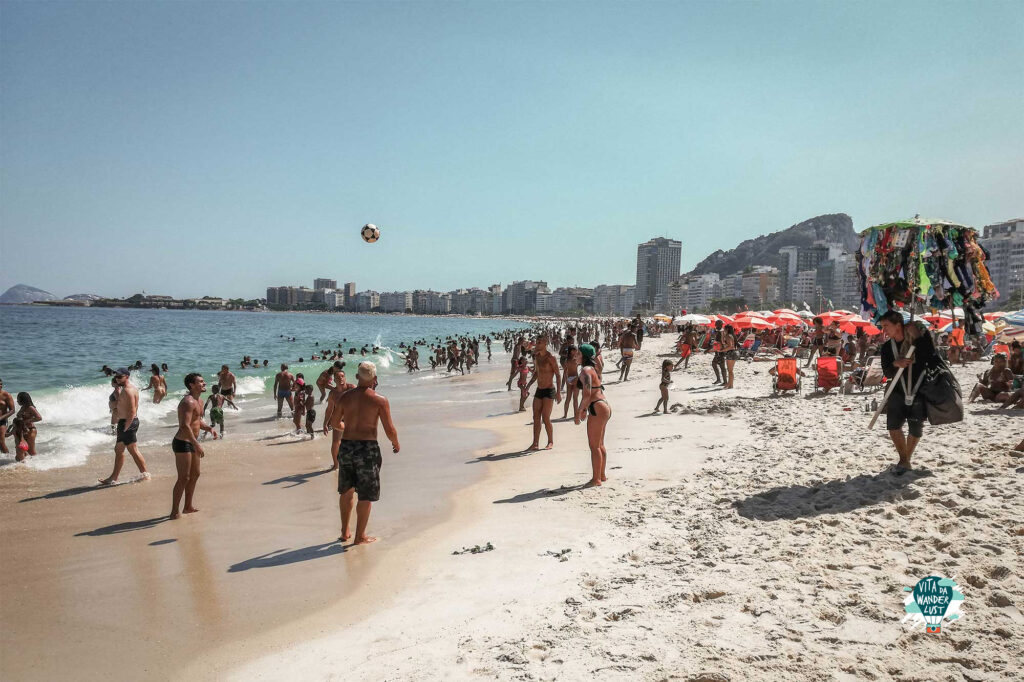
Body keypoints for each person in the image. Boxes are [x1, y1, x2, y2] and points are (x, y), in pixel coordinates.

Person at [332, 362, 400, 545]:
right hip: (367, 449)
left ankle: (345, 531)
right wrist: (396, 443)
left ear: (356, 377)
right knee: (366, 494)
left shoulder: (344, 398)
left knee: (346, 490)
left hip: (346, 446)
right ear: (375, 379)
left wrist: (347, 427)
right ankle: (360, 537)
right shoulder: (379, 400)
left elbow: (335, 423)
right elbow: (390, 430)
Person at [879, 313, 939, 475]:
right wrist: (896, 363)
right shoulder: (886, 348)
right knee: (893, 426)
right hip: (897, 390)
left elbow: (931, 357)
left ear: (898, 325)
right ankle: (904, 460)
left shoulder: (918, 339)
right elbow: (887, 372)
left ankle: (904, 461)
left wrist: (918, 337)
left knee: (916, 427)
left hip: (919, 388)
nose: (883, 330)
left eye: (886, 326)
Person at [171, 373, 218, 519]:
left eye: (203, 381)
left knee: (195, 474)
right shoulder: (188, 402)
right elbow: (184, 426)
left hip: (192, 442)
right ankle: (174, 511)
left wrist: (209, 428)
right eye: (201, 382)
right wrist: (196, 443)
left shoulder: (200, 401)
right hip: (183, 442)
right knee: (183, 477)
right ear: (191, 385)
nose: (204, 383)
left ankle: (188, 506)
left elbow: (196, 422)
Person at [99, 368, 150, 485]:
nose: (117, 378)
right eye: (116, 376)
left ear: (127, 376)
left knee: (133, 450)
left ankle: (145, 474)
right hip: (125, 423)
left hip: (128, 423)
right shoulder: (127, 389)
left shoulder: (128, 390)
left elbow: (132, 410)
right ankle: (114, 477)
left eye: (120, 377)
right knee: (119, 449)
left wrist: (126, 427)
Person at [574, 345, 610, 486]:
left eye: (577, 353)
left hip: (597, 407)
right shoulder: (592, 369)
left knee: (594, 446)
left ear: (583, 355)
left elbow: (587, 393)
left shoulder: (586, 370)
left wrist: (579, 411)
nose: (575, 355)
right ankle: (601, 475)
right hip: (603, 405)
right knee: (599, 444)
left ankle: (596, 479)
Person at [524, 335, 562, 450]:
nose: (537, 344)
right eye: (537, 342)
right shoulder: (537, 357)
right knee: (536, 417)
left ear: (545, 343)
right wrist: (529, 385)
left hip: (549, 390)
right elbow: (536, 373)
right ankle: (535, 443)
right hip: (539, 390)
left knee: (546, 418)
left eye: (540, 342)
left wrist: (558, 392)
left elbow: (558, 374)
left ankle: (550, 441)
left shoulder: (551, 357)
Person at [322, 367, 354, 470]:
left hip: (352, 419)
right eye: (337, 377)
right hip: (338, 420)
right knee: (335, 443)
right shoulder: (333, 394)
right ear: (334, 380)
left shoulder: (352, 388)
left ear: (345, 378)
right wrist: (325, 423)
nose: (340, 379)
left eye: (342, 376)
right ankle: (336, 465)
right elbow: (329, 409)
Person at [10, 392, 42, 461]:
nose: (17, 401)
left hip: (31, 430)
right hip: (24, 430)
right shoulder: (23, 407)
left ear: (23, 399)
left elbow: (39, 417)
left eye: (18, 399)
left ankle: (37, 465)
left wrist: (25, 421)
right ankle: (29, 464)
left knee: (31, 451)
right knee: (24, 450)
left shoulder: (30, 407)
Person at [561, 346, 580, 419]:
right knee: (575, 398)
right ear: (571, 351)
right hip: (575, 378)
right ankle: (575, 415)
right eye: (575, 350)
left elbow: (565, 371)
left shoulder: (567, 360)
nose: (576, 351)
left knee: (568, 398)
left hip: (569, 379)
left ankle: (565, 414)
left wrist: (567, 381)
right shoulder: (575, 360)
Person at [0, 378, 14, 456]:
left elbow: (12, 410)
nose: (0, 386)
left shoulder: (6, 395)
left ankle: (7, 459)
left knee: (1, 442)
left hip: (2, 421)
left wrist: (1, 418)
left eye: (1, 384)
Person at [722, 324, 738, 389]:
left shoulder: (728, 336)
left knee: (730, 370)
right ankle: (730, 385)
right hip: (733, 353)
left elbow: (730, 346)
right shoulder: (731, 335)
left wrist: (722, 350)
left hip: (730, 353)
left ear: (727, 329)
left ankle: (730, 385)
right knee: (730, 370)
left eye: (724, 329)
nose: (723, 330)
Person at [710, 320, 726, 384]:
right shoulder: (721, 331)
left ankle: (724, 381)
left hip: (720, 352)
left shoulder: (720, 332)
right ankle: (720, 380)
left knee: (721, 366)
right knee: (716, 364)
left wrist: (708, 349)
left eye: (716, 324)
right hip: (719, 351)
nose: (715, 325)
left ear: (720, 325)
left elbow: (719, 343)